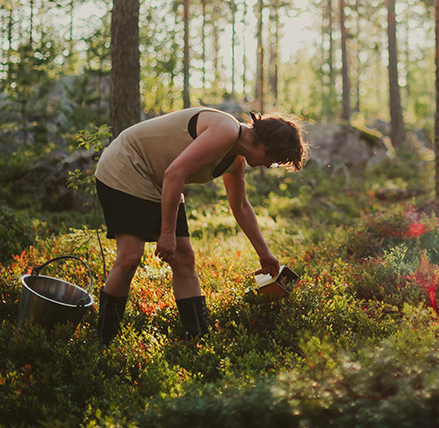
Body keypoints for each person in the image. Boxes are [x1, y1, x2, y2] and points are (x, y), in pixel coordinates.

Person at [93, 107, 307, 344]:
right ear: (266, 148)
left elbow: (241, 207)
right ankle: (106, 340)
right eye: (275, 161)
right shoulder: (225, 131)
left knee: (184, 256)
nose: (269, 166)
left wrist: (264, 254)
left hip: (156, 180)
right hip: (126, 165)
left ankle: (197, 338)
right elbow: (174, 173)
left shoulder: (236, 159)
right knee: (130, 256)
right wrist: (167, 234)